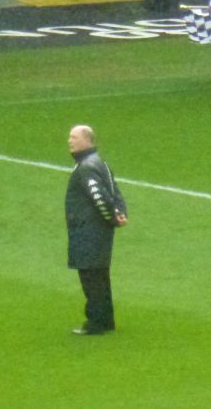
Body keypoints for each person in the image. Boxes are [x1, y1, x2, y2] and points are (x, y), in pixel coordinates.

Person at [65, 124, 127, 336]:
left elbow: (98, 195)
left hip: (88, 231)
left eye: (74, 137)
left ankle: (96, 322)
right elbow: (114, 189)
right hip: (98, 230)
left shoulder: (85, 167)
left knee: (91, 276)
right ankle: (106, 319)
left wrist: (112, 216)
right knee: (100, 275)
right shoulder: (100, 163)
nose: (70, 141)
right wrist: (120, 212)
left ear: (88, 141)